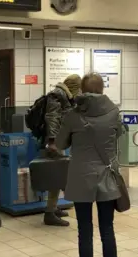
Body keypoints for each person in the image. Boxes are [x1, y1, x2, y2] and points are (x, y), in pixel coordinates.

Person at [56, 73, 123, 257]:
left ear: (82, 92)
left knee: (85, 231)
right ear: (103, 90)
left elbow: (60, 143)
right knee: (107, 230)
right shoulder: (114, 113)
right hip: (106, 176)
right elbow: (118, 136)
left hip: (81, 177)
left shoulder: (73, 115)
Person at [42, 74, 82, 227]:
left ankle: (53, 208)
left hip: (59, 140)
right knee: (56, 175)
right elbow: (51, 117)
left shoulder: (64, 95)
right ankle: (49, 214)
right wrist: (52, 141)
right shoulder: (57, 95)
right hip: (55, 142)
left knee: (58, 174)